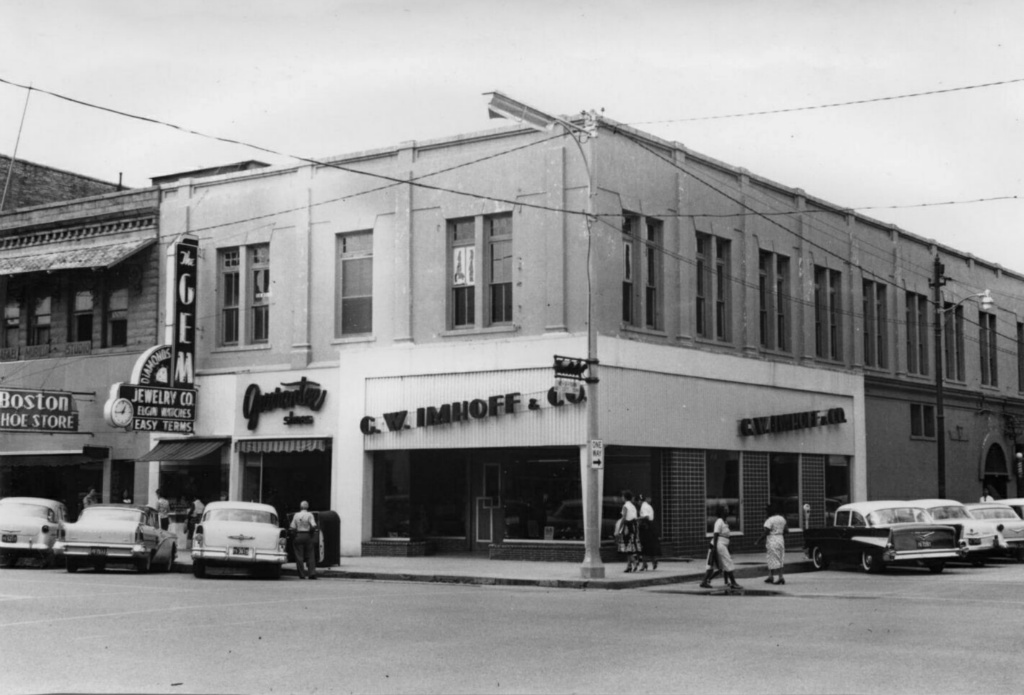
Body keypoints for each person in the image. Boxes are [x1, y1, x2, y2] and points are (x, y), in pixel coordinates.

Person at [700, 505, 741, 590]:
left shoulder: (725, 522)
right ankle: (733, 582)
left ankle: (704, 581)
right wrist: (715, 547)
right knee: (727, 562)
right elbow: (715, 535)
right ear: (721, 512)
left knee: (715, 565)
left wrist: (728, 547)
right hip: (718, 544)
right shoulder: (719, 521)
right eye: (726, 510)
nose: (728, 511)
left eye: (728, 509)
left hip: (722, 545)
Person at [758, 503, 788, 585]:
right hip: (780, 539)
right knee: (780, 557)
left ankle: (780, 577)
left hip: (772, 539)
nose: (766, 513)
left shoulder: (769, 520)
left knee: (773, 558)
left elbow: (766, 532)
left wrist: (758, 541)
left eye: (766, 511)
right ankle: (771, 576)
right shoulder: (782, 519)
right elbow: (786, 531)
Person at [289, 500, 319, 579]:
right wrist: (311, 533)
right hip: (308, 535)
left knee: (299, 556)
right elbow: (313, 526)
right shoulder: (310, 515)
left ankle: (301, 574)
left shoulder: (296, 515)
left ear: (300, 507)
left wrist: (294, 535)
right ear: (307, 507)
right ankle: (311, 573)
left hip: (299, 535)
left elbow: (292, 527)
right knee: (310, 555)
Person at [636, 493, 661, 571]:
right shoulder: (648, 506)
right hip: (651, 527)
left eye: (638, 501)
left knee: (644, 546)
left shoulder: (643, 507)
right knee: (650, 546)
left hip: (646, 527)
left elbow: (646, 517)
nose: (638, 503)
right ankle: (653, 561)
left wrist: (637, 519)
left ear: (639, 501)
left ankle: (644, 564)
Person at [619, 490, 641, 573]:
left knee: (627, 546)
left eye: (622, 496)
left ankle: (634, 563)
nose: (621, 498)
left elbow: (624, 517)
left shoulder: (625, 506)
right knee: (631, 546)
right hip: (634, 526)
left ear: (624, 497)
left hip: (627, 526)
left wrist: (620, 528)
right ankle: (628, 566)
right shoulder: (633, 506)